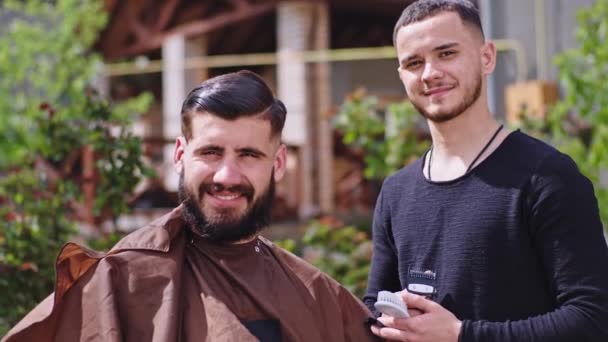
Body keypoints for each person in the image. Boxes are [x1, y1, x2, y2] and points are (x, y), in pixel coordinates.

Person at [4, 70, 379, 342]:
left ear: (278, 163)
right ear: (181, 155)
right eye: (211, 152)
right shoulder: (123, 278)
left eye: (249, 154)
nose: (227, 175)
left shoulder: (314, 292)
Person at [363, 0, 608, 341]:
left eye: (447, 53)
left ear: (487, 57)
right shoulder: (396, 193)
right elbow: (373, 310)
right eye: (414, 62)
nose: (430, 73)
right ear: (402, 75)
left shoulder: (547, 177)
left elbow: (592, 320)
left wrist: (460, 334)